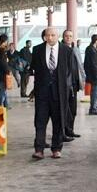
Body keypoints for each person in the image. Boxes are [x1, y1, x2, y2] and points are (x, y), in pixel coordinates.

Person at [30, 27, 72, 160]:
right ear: (44, 37)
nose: (50, 38)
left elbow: (69, 70)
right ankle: (39, 149)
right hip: (42, 93)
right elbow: (34, 68)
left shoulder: (67, 51)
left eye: (53, 35)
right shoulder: (37, 50)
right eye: (47, 35)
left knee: (58, 121)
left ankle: (56, 148)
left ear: (57, 36)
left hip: (59, 93)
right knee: (40, 121)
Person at [62, 30, 86, 139]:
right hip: (64, 85)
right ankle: (64, 132)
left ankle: (70, 130)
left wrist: (83, 78)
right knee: (65, 110)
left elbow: (80, 65)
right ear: (63, 37)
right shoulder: (60, 49)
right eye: (66, 36)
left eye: (70, 36)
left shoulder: (75, 49)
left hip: (74, 83)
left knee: (73, 109)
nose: (68, 38)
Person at [84, 34, 97, 115]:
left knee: (96, 91)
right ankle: (93, 108)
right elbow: (94, 64)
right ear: (96, 40)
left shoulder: (93, 48)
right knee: (95, 92)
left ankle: (95, 104)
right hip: (95, 75)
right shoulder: (92, 50)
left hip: (96, 74)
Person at [0, 34, 11, 108]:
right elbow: (3, 63)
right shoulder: (2, 50)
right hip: (3, 73)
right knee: (3, 89)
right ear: (5, 41)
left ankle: (6, 104)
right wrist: (8, 70)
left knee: (4, 88)